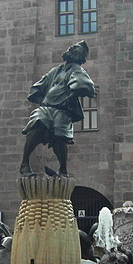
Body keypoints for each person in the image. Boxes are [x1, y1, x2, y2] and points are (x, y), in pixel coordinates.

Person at [20, 40, 96, 177]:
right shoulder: (56, 70)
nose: (72, 47)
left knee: (60, 135)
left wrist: (73, 95)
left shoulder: (78, 70)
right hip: (47, 107)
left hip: (62, 110)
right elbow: (40, 85)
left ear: (80, 56)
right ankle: (25, 163)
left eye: (77, 48)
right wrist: (41, 98)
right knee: (37, 122)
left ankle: (63, 169)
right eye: (72, 46)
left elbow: (86, 85)